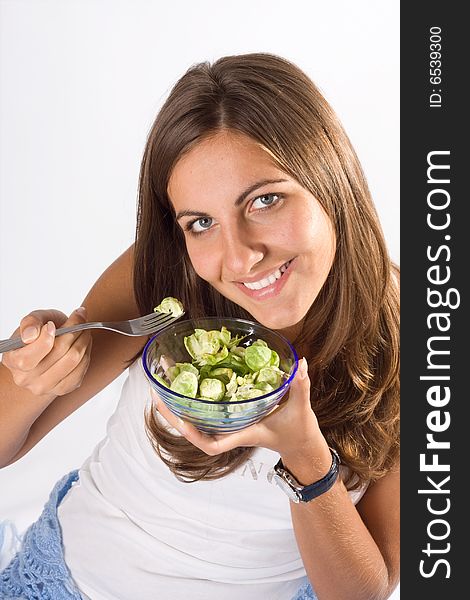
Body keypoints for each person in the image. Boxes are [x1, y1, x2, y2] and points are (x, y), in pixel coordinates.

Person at [0, 53, 400, 600]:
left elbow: (364, 592)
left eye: (265, 200)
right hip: (69, 580)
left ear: (332, 182)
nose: (238, 261)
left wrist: (306, 457)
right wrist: (30, 380)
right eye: (201, 223)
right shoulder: (165, 276)